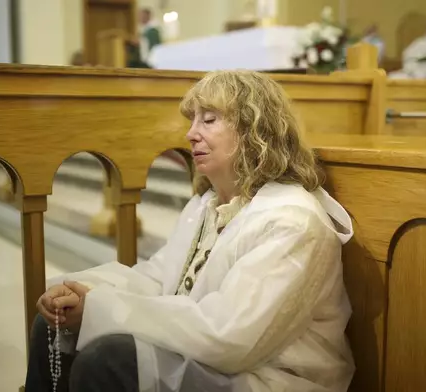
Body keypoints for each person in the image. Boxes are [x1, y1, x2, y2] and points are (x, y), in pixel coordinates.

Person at [25, 70, 355, 392]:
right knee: (51, 326)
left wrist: (102, 309)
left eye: (209, 119)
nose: (191, 134)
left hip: (269, 376)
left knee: (108, 361)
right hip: (211, 356)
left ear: (255, 129)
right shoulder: (205, 206)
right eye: (193, 120)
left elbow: (232, 337)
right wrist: (86, 290)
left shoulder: (293, 221)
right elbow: (158, 279)